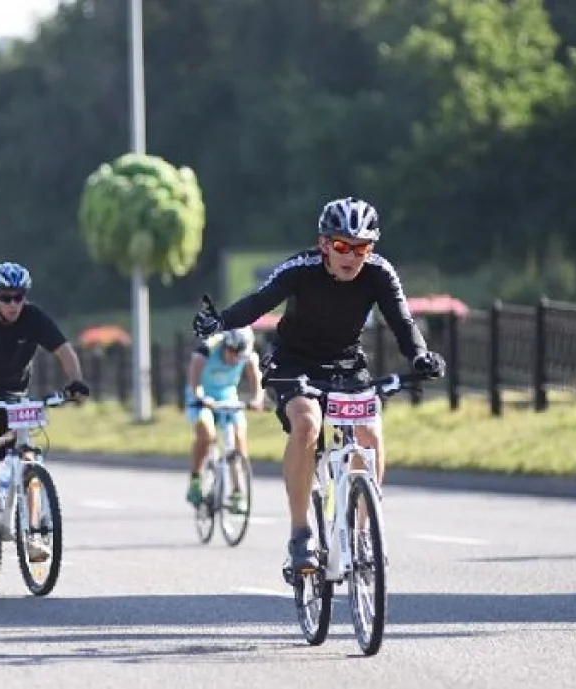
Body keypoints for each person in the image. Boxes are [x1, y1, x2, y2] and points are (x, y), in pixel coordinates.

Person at [192, 196, 445, 574]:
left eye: (362, 248)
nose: (352, 256)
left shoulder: (379, 273)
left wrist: (420, 355)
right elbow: (261, 301)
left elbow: (402, 322)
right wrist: (222, 322)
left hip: (346, 364)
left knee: (370, 436)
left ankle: (363, 534)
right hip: (294, 361)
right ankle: (300, 534)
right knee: (307, 425)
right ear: (324, 244)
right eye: (342, 246)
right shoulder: (301, 269)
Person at [0, 261, 91, 562]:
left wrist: (75, 382)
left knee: (28, 457)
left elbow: (64, 351)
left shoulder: (34, 318)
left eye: (19, 297)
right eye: (6, 298)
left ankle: (34, 535)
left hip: (14, 396)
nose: (13, 304)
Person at [184, 326, 266, 512]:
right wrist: (202, 398)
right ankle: (195, 480)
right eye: (231, 352)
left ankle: (238, 491)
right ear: (224, 345)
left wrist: (257, 400)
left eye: (240, 355)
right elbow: (194, 382)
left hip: (227, 396)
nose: (235, 359)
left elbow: (257, 383)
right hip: (202, 395)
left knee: (238, 437)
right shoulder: (206, 351)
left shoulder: (249, 356)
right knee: (207, 435)